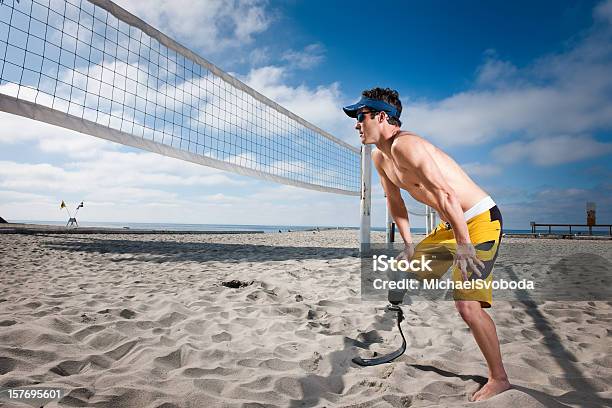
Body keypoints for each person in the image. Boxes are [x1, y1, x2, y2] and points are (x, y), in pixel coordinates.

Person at [343, 87, 511, 401]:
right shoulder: (380, 157)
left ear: (381, 116)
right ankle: (398, 309)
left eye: (360, 116)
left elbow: (447, 195)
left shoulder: (408, 146)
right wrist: (408, 244)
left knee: (467, 306)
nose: (356, 124)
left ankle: (499, 378)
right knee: (399, 268)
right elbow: (395, 202)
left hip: (478, 220)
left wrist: (464, 244)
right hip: (451, 223)